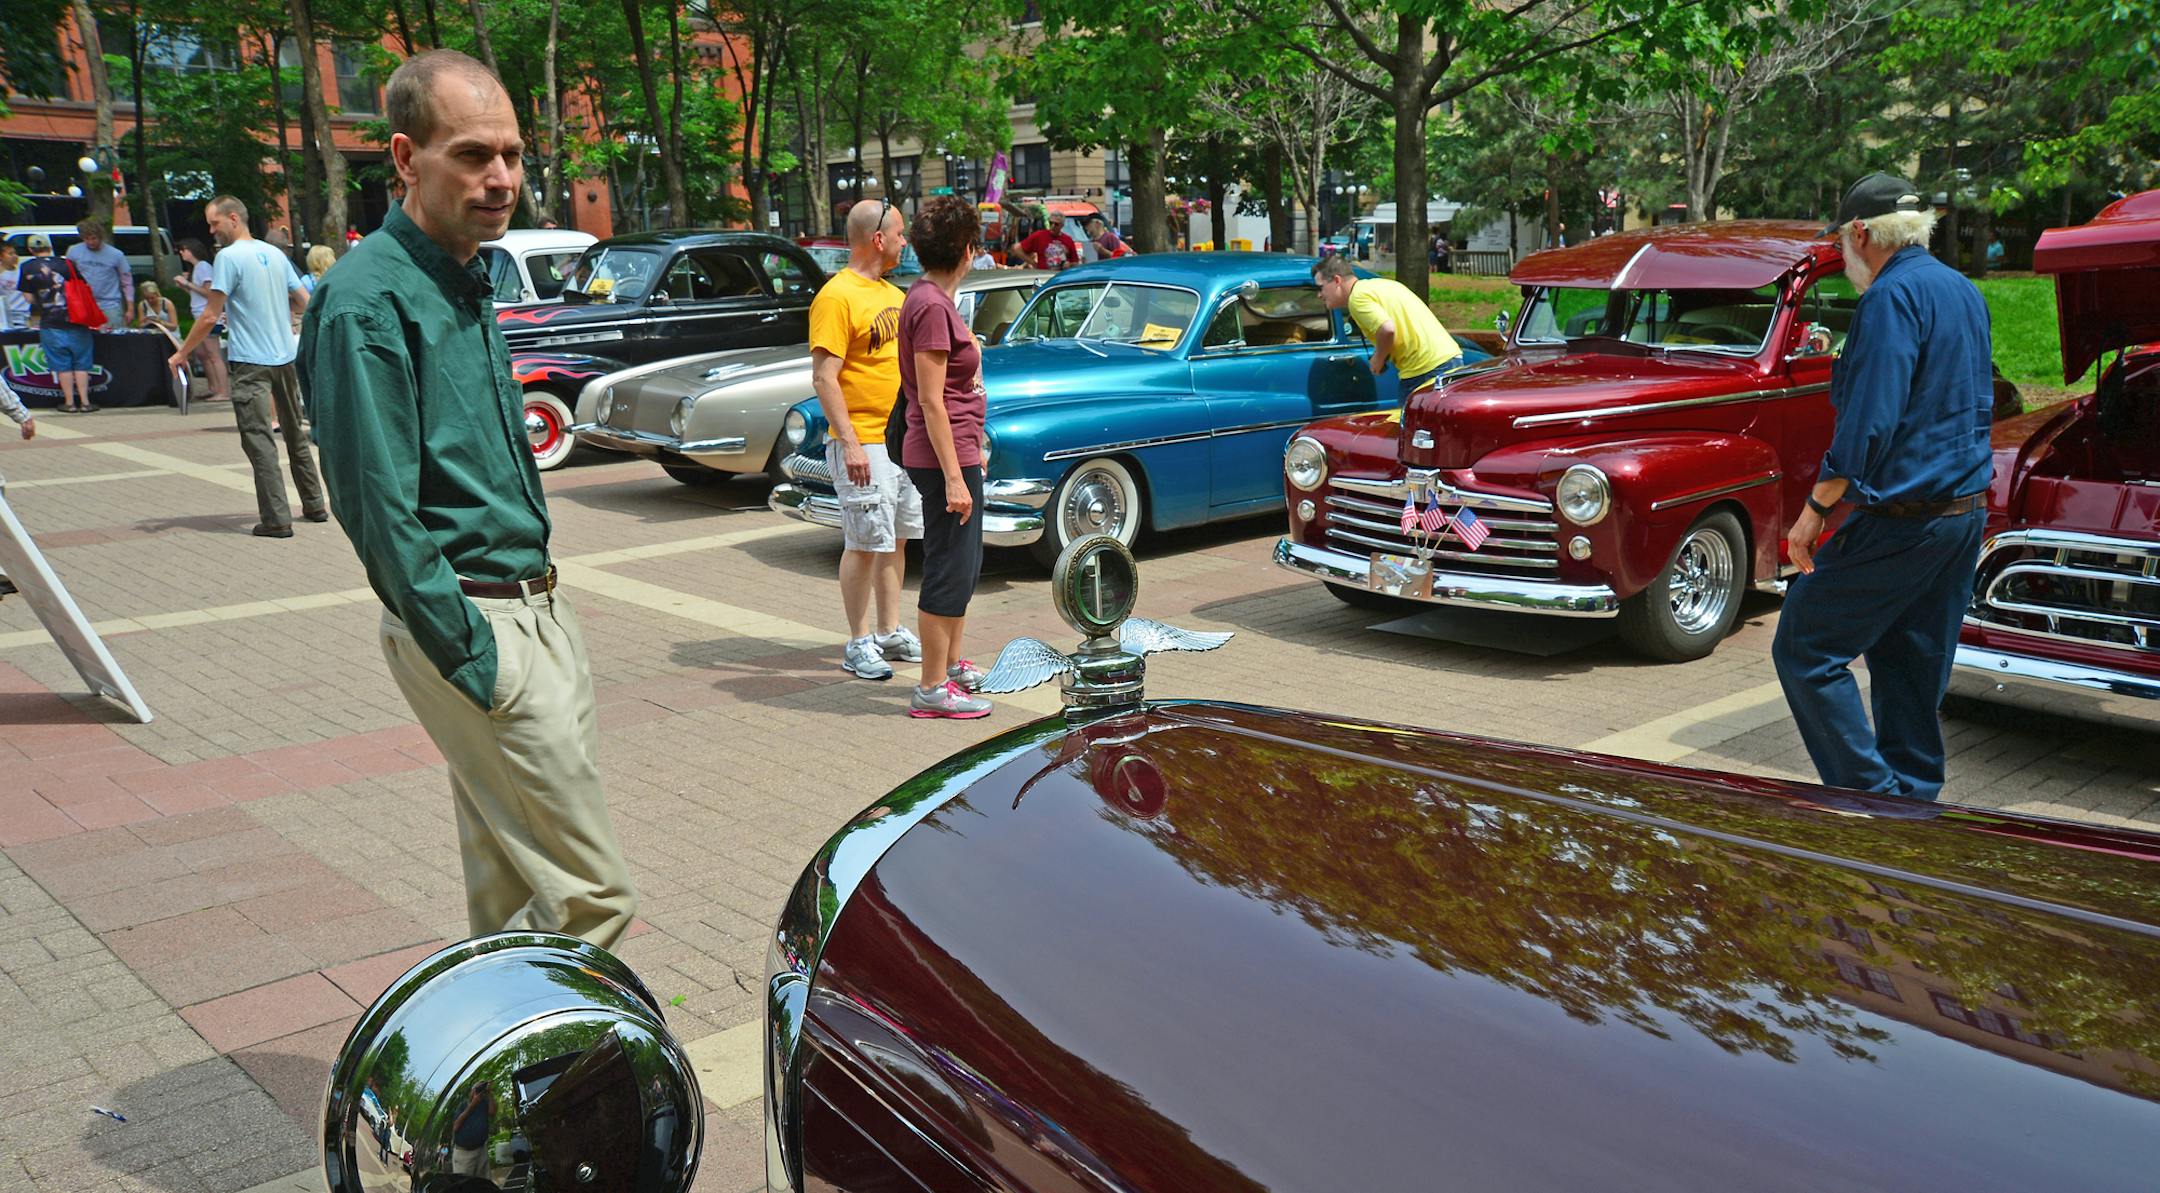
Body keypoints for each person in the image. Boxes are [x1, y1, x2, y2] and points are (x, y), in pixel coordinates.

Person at [300, 49, 638, 949]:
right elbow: (376, 504)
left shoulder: (461, 273)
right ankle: (534, 1040)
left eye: (513, 155)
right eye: (473, 155)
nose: (502, 179)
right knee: (592, 897)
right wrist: (471, 650)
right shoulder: (366, 299)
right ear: (405, 158)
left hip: (532, 611)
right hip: (479, 624)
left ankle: (498, 1037)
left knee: (510, 892)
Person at [1772, 172, 1995, 803]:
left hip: (1907, 518)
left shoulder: (1889, 298)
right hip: (1962, 516)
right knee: (1909, 666)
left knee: (1805, 646)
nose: (1842, 256)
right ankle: (1912, 806)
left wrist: (1814, 510)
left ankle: (1873, 801)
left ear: (1862, 233)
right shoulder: (1961, 289)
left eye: (1841, 242)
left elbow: (1870, 421)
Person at [809, 198, 924, 681]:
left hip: (899, 440)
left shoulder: (895, 295)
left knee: (895, 539)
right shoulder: (837, 296)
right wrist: (851, 443)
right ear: (878, 239)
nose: (904, 241)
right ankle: (858, 641)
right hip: (863, 441)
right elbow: (824, 377)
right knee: (863, 542)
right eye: (899, 233)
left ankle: (889, 630)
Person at [168, 195, 326, 539]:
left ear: (233, 218)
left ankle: (276, 519)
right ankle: (314, 504)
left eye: (215, 223)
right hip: (285, 357)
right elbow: (306, 302)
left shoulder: (228, 257)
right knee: (294, 434)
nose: (212, 231)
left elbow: (209, 315)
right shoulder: (275, 254)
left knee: (259, 440)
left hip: (251, 362)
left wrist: (182, 353)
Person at [898, 195, 993, 718]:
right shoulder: (932, 306)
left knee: (964, 564)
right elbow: (932, 400)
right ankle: (932, 687)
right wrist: (955, 476)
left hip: (954, 451)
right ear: (967, 250)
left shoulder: (930, 298)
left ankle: (951, 666)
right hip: (941, 457)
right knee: (948, 567)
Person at [1311, 253, 1464, 404]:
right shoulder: (1381, 285)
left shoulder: (1357, 299)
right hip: (1449, 358)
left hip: (1425, 370)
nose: (1319, 295)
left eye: (1320, 287)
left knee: (1410, 420)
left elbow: (1387, 329)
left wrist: (1378, 359)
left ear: (1337, 280)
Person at [17, 235, 94, 413]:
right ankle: (85, 402)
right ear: (50, 247)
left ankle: (69, 403)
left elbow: (28, 298)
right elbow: (84, 287)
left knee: (61, 364)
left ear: (31, 250)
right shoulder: (67, 264)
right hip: (76, 321)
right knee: (81, 362)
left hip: (50, 323)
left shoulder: (26, 267)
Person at [170, 239, 229, 401]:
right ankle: (213, 387)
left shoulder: (203, 267)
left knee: (213, 354)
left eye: (183, 250)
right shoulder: (197, 268)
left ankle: (223, 391)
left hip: (208, 316)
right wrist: (185, 287)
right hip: (199, 315)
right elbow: (197, 295)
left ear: (192, 250)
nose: (181, 253)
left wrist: (187, 283)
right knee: (202, 354)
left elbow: (209, 293)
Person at [67, 218, 133, 329]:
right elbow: (69, 277)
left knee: (113, 336)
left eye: (94, 238)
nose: (91, 242)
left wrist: (130, 308)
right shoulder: (73, 251)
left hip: (110, 305)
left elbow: (127, 282)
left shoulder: (116, 255)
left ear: (100, 237)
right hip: (84, 303)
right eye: (87, 239)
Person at [449, 1085, 491, 1176]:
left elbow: (493, 1112)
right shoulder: (463, 1105)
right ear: (471, 1091)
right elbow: (455, 1126)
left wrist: (489, 1093)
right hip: (464, 1154)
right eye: (476, 1089)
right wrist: (472, 1105)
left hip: (481, 1150)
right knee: (465, 1182)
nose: (478, 1091)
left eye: (481, 1089)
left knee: (484, 1182)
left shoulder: (484, 1103)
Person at [0, 242, 27, 330]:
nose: (15, 256)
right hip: (4, 315)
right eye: (10, 254)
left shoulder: (22, 272)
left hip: (22, 314)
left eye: (15, 253)